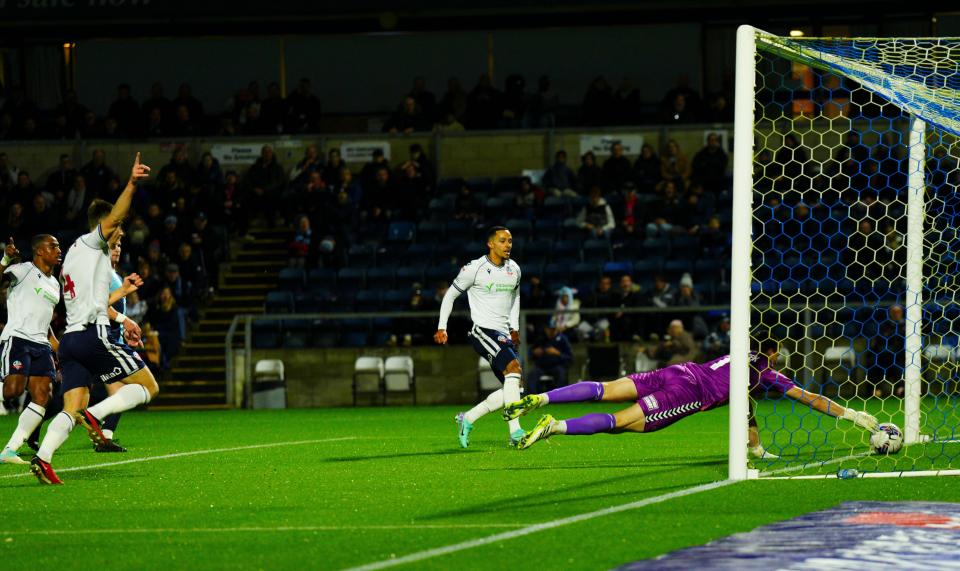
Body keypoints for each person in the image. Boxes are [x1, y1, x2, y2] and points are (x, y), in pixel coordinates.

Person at [30, 153, 160, 485]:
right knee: (148, 386)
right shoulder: (93, 241)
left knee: (71, 407)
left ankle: (43, 458)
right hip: (91, 336)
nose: (119, 236)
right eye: (116, 232)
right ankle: (98, 416)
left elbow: (97, 299)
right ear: (103, 226)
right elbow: (116, 214)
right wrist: (131, 183)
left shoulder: (73, 255)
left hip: (71, 341)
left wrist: (122, 307)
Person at [505, 342, 880, 451]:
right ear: (775, 353)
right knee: (621, 423)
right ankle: (555, 427)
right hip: (688, 391)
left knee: (605, 388)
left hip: (680, 370)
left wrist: (755, 447)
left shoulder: (739, 355)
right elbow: (808, 397)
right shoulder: (766, 371)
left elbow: (744, 406)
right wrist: (850, 414)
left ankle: (542, 398)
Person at [435, 226, 524, 447]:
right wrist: (441, 327)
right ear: (491, 244)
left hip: (503, 333)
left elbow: (515, 298)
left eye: (510, 241)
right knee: (514, 369)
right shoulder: (474, 269)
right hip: (482, 331)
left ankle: (468, 418)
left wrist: (514, 328)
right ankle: (516, 433)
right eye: (503, 241)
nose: (508, 245)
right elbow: (450, 296)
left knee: (514, 388)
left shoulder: (514, 269)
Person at [0, 235, 62, 465]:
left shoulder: (55, 284)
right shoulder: (22, 270)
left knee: (43, 394)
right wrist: (6, 258)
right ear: (39, 251)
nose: (58, 249)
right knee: (13, 391)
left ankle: (10, 450)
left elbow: (46, 324)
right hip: (18, 338)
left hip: (41, 344)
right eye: (53, 246)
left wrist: (60, 349)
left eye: (58, 246)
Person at [526, 324, 573, 394]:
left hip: (556, 366)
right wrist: (534, 352)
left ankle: (560, 397)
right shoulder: (541, 339)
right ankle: (533, 398)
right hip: (541, 367)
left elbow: (569, 357)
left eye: (553, 329)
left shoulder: (563, 339)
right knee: (532, 374)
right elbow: (530, 353)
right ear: (546, 329)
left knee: (561, 374)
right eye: (549, 329)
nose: (551, 331)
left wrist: (557, 353)